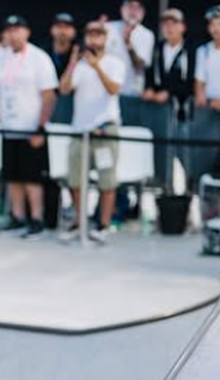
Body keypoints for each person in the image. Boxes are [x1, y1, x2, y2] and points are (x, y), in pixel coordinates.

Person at [0, 15, 58, 240]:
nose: (14, 34)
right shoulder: (0, 58)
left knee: (32, 177)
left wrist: (40, 126)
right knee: (13, 176)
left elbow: (49, 96)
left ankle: (36, 218)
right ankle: (17, 216)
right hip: (9, 126)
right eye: (10, 30)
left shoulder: (39, 58)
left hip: (31, 127)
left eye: (18, 29)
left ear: (26, 32)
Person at [59, 21, 126, 244]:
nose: (93, 39)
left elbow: (114, 89)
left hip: (105, 129)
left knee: (107, 180)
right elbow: (64, 89)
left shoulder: (114, 63)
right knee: (75, 178)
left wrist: (97, 66)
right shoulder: (79, 64)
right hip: (80, 129)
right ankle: (81, 222)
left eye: (98, 35)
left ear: (106, 38)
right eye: (90, 35)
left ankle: (104, 225)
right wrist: (72, 61)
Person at [143, 8, 195, 121]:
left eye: (174, 24)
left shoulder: (191, 51)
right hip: (157, 109)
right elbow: (149, 73)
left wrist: (170, 93)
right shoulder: (156, 49)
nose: (169, 28)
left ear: (183, 27)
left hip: (181, 111)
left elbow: (192, 80)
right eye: (165, 24)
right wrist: (149, 89)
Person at [105, 0, 155, 97]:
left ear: (143, 12)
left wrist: (128, 44)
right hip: (107, 90)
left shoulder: (147, 34)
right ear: (122, 9)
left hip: (132, 92)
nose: (133, 11)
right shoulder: (108, 28)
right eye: (130, 6)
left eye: (137, 8)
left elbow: (140, 66)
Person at [195, 5, 220, 114]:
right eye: (212, 24)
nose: (216, 29)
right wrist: (199, 95)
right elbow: (199, 79)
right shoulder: (203, 50)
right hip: (209, 106)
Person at [49, 13, 77, 80]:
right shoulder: (42, 51)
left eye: (67, 27)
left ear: (74, 32)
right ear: (51, 30)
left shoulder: (79, 51)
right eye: (59, 26)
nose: (63, 31)